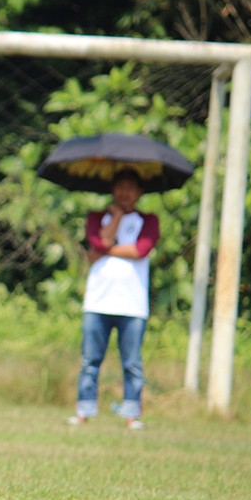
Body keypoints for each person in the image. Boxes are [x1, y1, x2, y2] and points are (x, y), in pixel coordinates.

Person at [68, 168, 160, 430]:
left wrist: (103, 250)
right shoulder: (97, 217)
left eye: (131, 188)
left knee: (132, 363)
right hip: (98, 302)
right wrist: (116, 218)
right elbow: (100, 241)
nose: (125, 193)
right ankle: (84, 410)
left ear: (139, 192)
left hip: (133, 304)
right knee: (90, 361)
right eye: (121, 187)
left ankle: (132, 414)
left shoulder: (148, 220)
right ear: (113, 189)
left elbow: (141, 250)